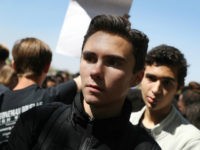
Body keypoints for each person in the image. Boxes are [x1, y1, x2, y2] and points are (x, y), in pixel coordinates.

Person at [5, 14, 161, 150]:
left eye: (113, 62)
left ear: (137, 78)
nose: (95, 71)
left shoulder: (144, 147)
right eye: (89, 58)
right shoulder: (36, 121)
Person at [0, 37, 81, 144]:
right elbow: (82, 80)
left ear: (13, 66)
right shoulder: (51, 96)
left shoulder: (2, 99)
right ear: (47, 68)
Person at [130, 44, 200, 150]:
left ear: (178, 88)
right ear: (140, 78)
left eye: (166, 83)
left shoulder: (190, 141)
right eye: (151, 78)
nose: (156, 90)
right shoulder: (126, 120)